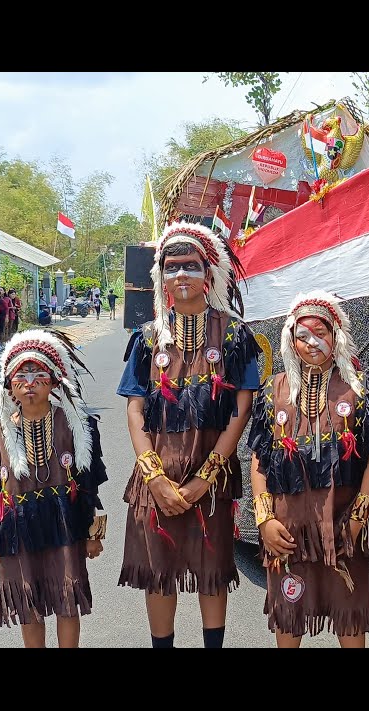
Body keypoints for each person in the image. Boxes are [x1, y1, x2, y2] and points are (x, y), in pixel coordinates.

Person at [117, 222, 261, 649]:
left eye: (191, 267)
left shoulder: (234, 335)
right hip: (156, 476)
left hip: (210, 478)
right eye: (172, 267)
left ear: (209, 275)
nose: (182, 275)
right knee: (159, 572)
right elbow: (135, 408)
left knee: (211, 570)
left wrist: (205, 478)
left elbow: (242, 408)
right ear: (161, 277)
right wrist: (155, 478)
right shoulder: (146, 338)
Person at [247, 291, 369, 647]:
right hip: (287, 526)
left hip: (344, 524)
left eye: (321, 333)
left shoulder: (359, 388)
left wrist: (359, 516)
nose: (312, 342)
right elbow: (259, 460)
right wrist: (264, 519)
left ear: (336, 336)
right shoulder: (272, 391)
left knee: (350, 616)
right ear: (290, 341)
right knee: (289, 617)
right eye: (302, 335)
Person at [0, 329, 110, 647]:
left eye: (38, 373)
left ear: (53, 381)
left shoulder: (77, 427)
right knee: (28, 604)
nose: (30, 382)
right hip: (18, 531)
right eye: (21, 374)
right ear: (9, 386)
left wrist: (93, 534)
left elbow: (88, 485)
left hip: (65, 527)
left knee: (66, 598)